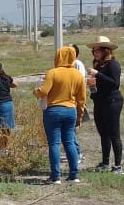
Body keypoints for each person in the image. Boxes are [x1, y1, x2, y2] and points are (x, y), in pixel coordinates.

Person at [33, 45, 86, 184]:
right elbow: (82, 99)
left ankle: (55, 176)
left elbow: (44, 92)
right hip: (70, 111)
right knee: (69, 142)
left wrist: (36, 92)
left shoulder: (53, 73)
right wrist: (79, 116)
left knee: (54, 144)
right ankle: (74, 175)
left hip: (54, 111)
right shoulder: (78, 74)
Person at [86, 35, 124, 174]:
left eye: (98, 50)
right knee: (103, 134)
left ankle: (118, 166)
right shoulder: (98, 65)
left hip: (112, 102)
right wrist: (91, 84)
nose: (95, 53)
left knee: (114, 134)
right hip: (100, 102)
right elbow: (101, 83)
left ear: (106, 51)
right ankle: (105, 162)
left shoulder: (113, 64)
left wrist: (98, 74)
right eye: (94, 50)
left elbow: (114, 83)